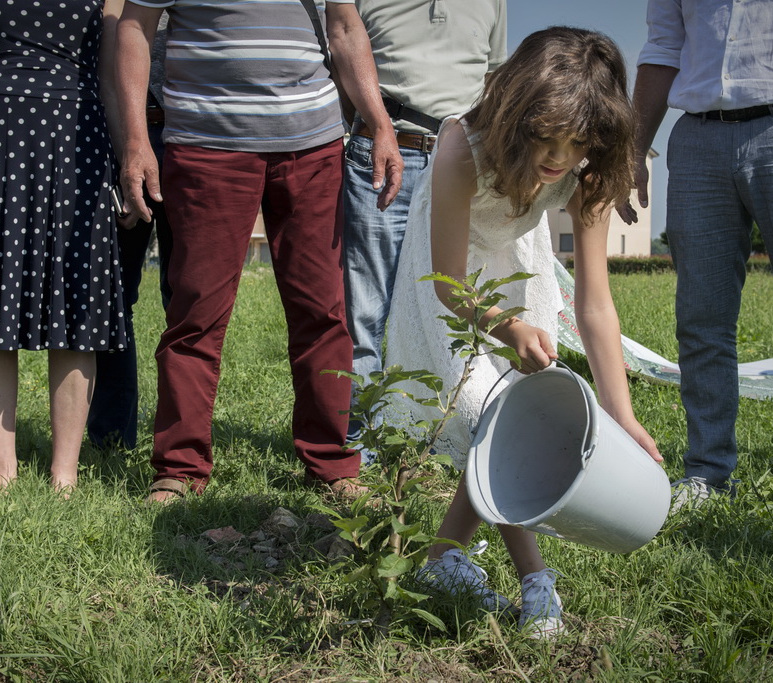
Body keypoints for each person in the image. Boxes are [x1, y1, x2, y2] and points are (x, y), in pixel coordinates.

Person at [385, 27, 662, 638]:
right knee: (498, 412)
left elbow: (594, 305)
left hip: (517, 266)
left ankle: (441, 554)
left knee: (507, 414)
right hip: (451, 278)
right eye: (545, 138)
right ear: (516, 114)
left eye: (578, 142)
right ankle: (535, 578)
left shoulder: (586, 172)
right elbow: (447, 281)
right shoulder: (463, 149)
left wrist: (623, 414)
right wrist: (506, 327)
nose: (559, 158)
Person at [115, 0, 403, 502]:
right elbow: (134, 30)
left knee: (323, 310)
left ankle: (333, 466)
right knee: (196, 314)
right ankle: (179, 469)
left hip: (313, 143)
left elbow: (344, 26)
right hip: (207, 144)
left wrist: (379, 121)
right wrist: (137, 140)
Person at [618, 0, 773, 541]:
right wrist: (635, 148)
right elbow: (664, 46)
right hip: (698, 137)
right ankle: (707, 473)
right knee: (701, 319)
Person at [0, 0, 129, 492]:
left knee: (78, 310)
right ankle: (2, 473)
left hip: (77, 140)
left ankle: (65, 475)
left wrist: (125, 164)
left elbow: (110, 82)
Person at [343, 0, 507, 452]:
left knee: (459, 299)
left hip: (466, 162)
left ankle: (449, 434)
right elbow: (341, 55)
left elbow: (495, 79)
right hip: (384, 150)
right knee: (366, 308)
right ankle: (361, 445)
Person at [87, 13, 173, 452]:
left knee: (189, 302)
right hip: (117, 136)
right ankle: (112, 437)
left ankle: (181, 442)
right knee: (112, 298)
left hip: (192, 139)